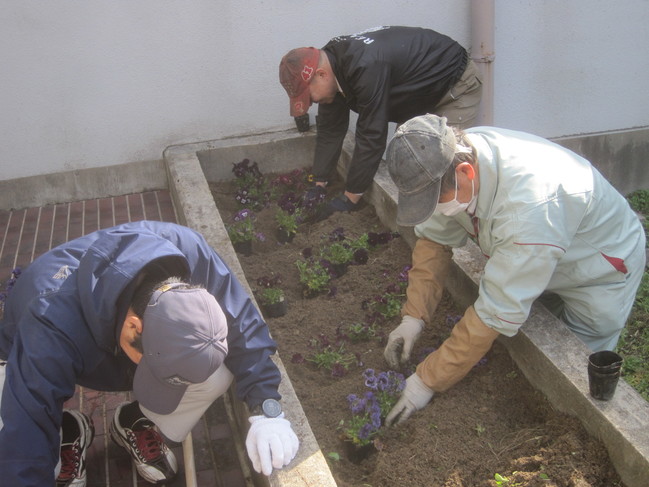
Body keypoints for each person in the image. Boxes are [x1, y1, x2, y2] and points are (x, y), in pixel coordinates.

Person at [382, 114, 646, 426]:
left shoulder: (528, 211)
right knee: (525, 330)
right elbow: (434, 243)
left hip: (601, 266)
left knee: (570, 369)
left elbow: (494, 312)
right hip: (545, 249)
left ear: (466, 172)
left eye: (433, 201)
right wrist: (413, 317)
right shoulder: (454, 156)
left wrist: (426, 381)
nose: (434, 210)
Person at [0, 221, 299, 486]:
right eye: (156, 371)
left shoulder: (188, 252)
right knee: (17, 434)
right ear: (134, 326)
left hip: (113, 344)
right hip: (23, 356)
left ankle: (134, 420)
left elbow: (243, 325)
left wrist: (266, 408)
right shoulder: (50, 322)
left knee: (218, 372)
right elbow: (25, 426)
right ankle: (65, 429)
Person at [279, 25, 483, 218]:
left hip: (452, 83)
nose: (313, 102)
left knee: (447, 169)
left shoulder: (364, 66)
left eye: (309, 96)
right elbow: (330, 130)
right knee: (413, 159)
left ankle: (469, 229)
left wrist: (350, 199)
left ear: (321, 74)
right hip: (416, 90)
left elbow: (371, 134)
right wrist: (318, 183)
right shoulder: (331, 65)